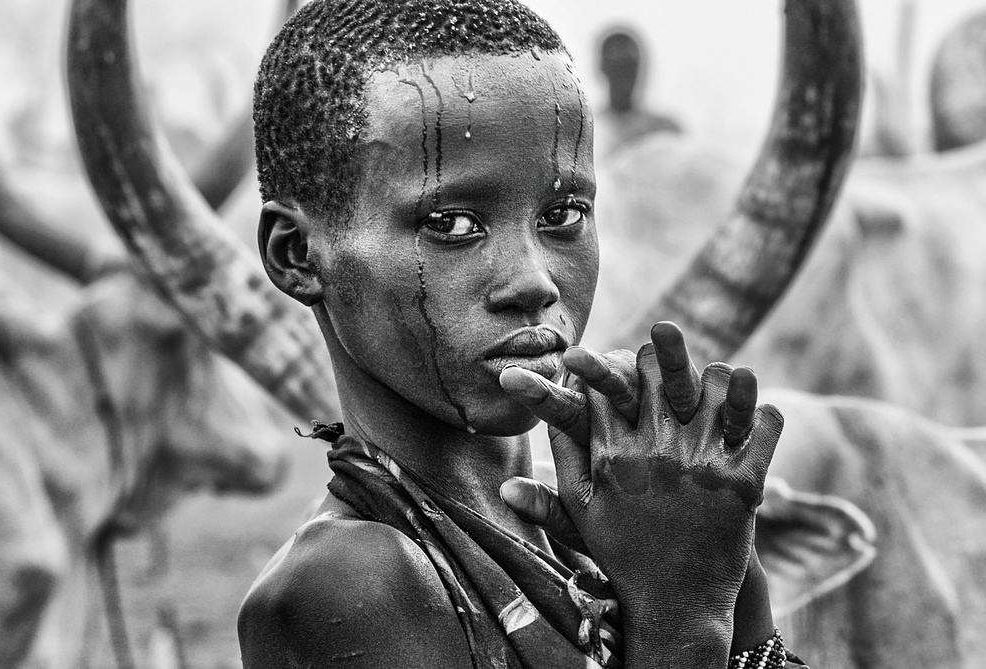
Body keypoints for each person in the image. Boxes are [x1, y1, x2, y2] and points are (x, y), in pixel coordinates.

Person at [237, 1, 798, 667]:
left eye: (563, 213)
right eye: (451, 223)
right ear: (297, 254)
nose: (533, 281)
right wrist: (686, 619)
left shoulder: (601, 522)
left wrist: (729, 568)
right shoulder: (342, 584)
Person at [595, 28, 682, 158]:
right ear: (603, 67)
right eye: (619, 66)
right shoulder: (592, 130)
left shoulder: (665, 129)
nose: (626, 75)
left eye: (631, 65)